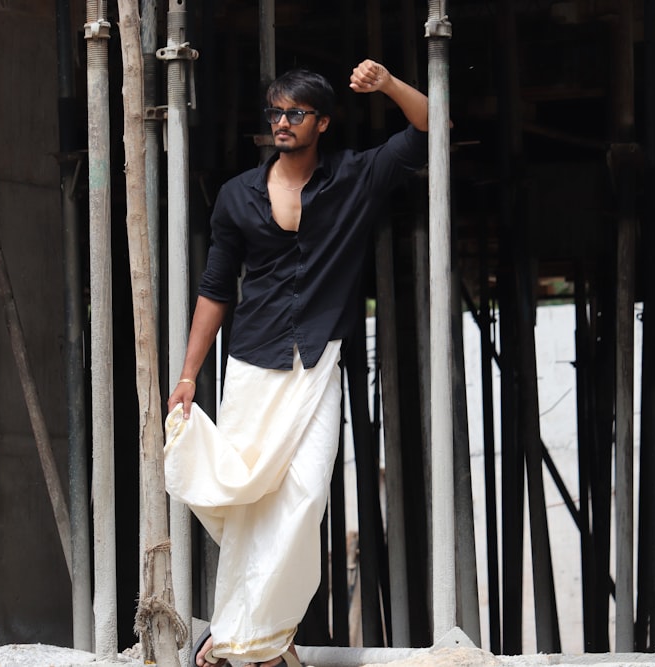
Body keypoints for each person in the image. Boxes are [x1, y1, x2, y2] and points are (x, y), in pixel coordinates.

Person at [164, 59, 430, 667]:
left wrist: (387, 85)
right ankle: (243, 639)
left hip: (318, 361)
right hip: (253, 363)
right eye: (275, 112)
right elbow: (215, 288)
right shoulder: (237, 196)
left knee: (306, 496)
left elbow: (427, 127)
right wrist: (188, 375)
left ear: (323, 122)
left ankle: (250, 636)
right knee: (249, 500)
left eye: (295, 113)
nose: (281, 122)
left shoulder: (356, 177)